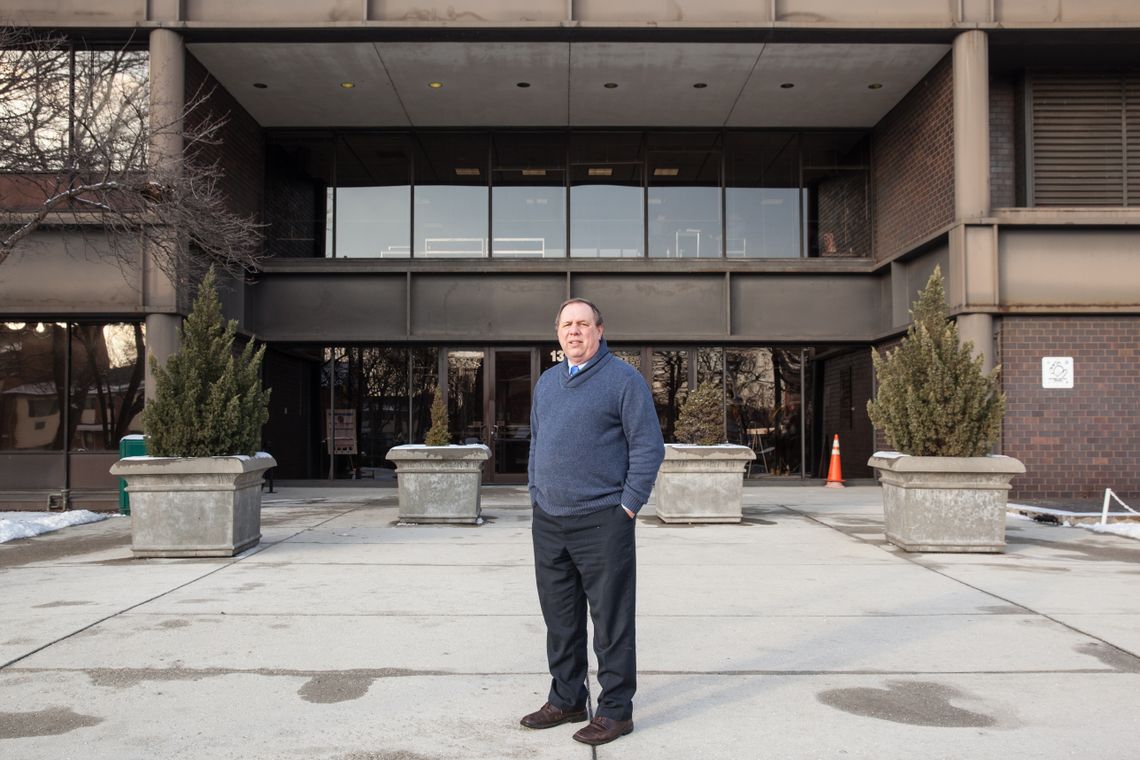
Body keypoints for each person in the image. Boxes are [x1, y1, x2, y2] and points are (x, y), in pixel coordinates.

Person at [520, 298, 665, 746]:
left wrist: (628, 506)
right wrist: (536, 495)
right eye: (567, 325)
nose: (575, 331)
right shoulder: (547, 382)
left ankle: (616, 710)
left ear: (600, 331)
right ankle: (566, 698)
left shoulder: (624, 380)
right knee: (560, 618)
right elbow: (537, 443)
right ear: (558, 333)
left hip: (603, 520)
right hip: (550, 520)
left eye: (583, 324)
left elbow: (648, 447)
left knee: (611, 621)